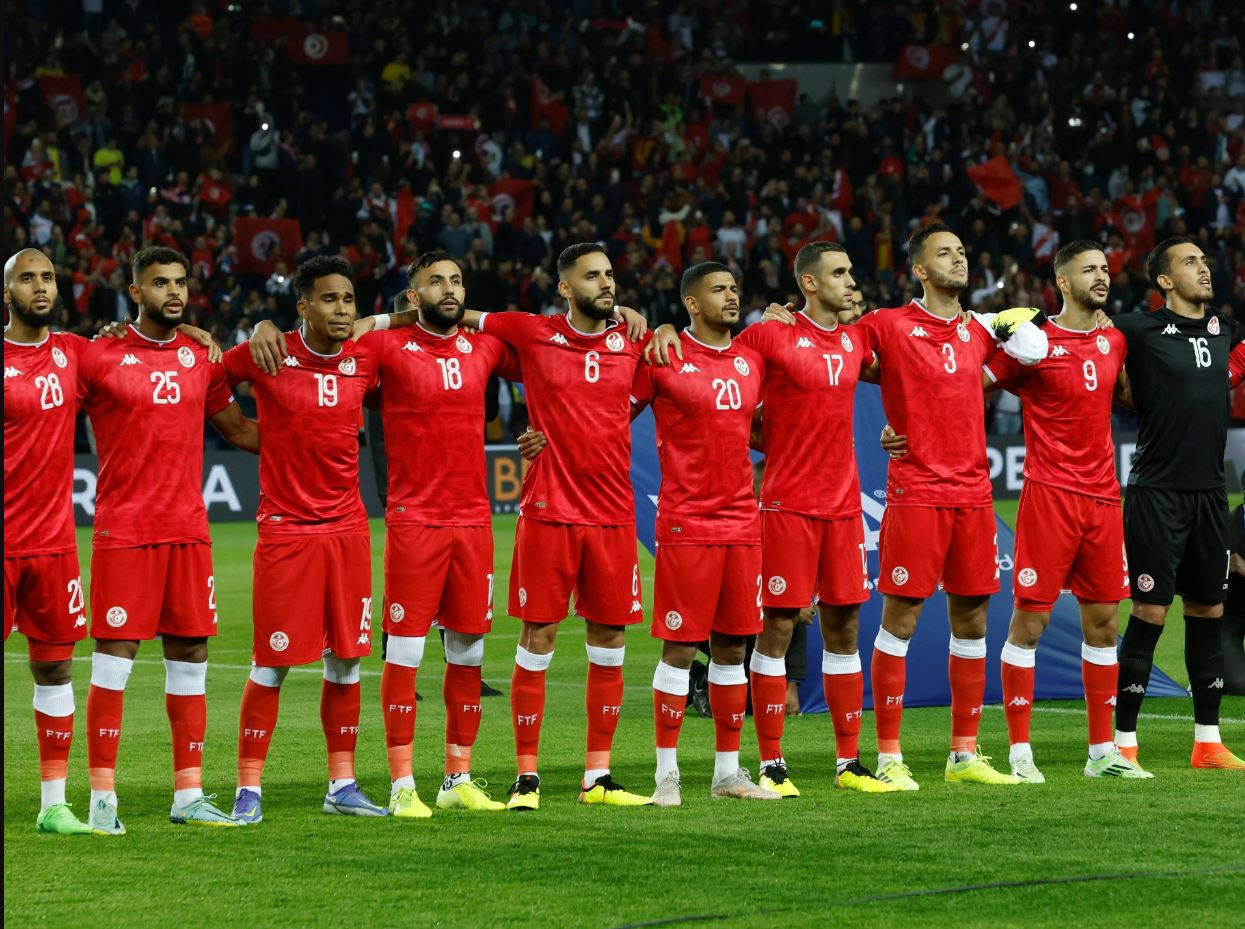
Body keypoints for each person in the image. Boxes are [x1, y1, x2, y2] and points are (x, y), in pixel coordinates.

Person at [652, 242, 894, 794]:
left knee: (844, 626)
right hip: (782, 504)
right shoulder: (767, 337)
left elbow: (911, 379)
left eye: (851, 271)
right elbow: (721, 385)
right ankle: (770, 761)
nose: (851, 281)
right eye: (839, 272)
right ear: (810, 283)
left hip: (843, 507)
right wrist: (664, 327)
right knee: (776, 627)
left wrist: (897, 430)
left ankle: (847, 763)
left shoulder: (858, 338)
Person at [854, 223, 1047, 790]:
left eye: (963, 251)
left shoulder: (979, 331)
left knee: (973, 618)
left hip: (973, 495)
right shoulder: (887, 324)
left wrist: (1006, 322)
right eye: (945, 253)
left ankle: (963, 754)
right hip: (916, 493)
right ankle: (888, 756)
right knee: (902, 619)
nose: (959, 259)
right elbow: (841, 361)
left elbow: (1033, 349)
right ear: (919, 269)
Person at [462, 243, 652, 810]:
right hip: (549, 512)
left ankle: (598, 776)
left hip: (614, 516)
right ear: (566, 288)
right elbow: (453, 318)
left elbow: (652, 383)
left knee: (611, 641)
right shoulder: (531, 332)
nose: (606, 283)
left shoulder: (637, 341)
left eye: (610, 274)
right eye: (592, 276)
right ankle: (526, 776)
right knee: (537, 638)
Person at [78, 246, 258, 833]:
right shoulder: (99, 356)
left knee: (192, 657)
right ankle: (102, 799)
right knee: (114, 662)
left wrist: (315, 430)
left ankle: (188, 795)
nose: (174, 292)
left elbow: (237, 430)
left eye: (181, 282)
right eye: (160, 284)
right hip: (125, 531)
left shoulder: (199, 358)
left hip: (187, 531)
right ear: (136, 292)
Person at [223, 255, 393, 822]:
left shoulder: (365, 357)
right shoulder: (269, 352)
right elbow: (205, 380)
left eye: (348, 299)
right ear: (303, 306)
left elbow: (412, 326)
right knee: (271, 664)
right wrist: (245, 433)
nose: (341, 309)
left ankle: (341, 785)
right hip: (286, 530)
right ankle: (249, 789)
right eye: (328, 299)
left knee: (346, 660)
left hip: (347, 529)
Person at [977, 241, 1149, 779]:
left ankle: (1103, 754)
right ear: (1064, 282)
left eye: (1105, 268)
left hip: (1103, 499)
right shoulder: (1033, 341)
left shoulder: (1115, 340)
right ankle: (1020, 754)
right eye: (1089, 270)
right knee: (1030, 624)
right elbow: (967, 385)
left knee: (1103, 624)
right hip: (1049, 496)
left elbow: (1132, 398)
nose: (1102, 277)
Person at [632, 262, 779, 805]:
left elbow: (761, 429)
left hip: (743, 520)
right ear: (691, 303)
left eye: (735, 287)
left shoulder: (751, 360)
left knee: (731, 648)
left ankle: (726, 774)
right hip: (686, 521)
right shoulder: (663, 355)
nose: (732, 296)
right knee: (678, 648)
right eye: (718, 290)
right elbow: (609, 414)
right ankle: (665, 775)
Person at [1111, 236, 1245, 770]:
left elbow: (1225, 373)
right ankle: (1122, 743)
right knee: (1149, 611)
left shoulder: (1225, 329)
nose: (1204, 268)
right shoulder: (1136, 328)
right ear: (1165, 280)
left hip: (1212, 495)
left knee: (1208, 609)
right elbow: (1087, 360)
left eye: (1204, 261)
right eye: (1190, 263)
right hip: (1156, 493)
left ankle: (1207, 742)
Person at [3, 249, 92, 834]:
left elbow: (146, 346)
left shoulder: (77, 355)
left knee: (56, 670)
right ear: (5, 289)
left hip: (55, 546)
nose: (40, 286)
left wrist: (187, 327)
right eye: (26, 277)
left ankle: (53, 804)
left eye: (48, 277)